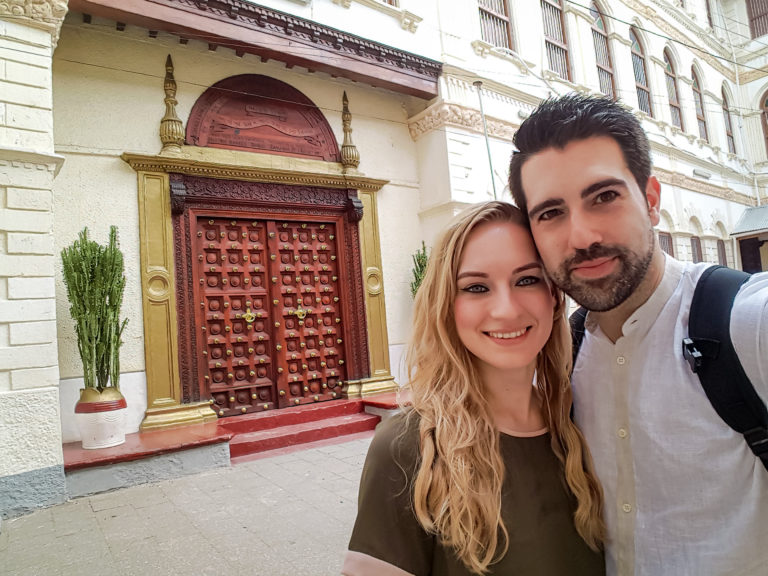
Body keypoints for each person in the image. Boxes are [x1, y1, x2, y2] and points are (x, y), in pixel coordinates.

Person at [508, 93, 768, 576]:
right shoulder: (564, 355)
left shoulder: (743, 322)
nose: (582, 237)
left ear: (650, 200)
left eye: (604, 197)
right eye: (551, 213)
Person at [342, 201, 606, 576]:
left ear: (554, 297)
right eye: (477, 287)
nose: (506, 309)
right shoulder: (409, 446)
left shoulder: (580, 424)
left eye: (527, 279)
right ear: (446, 306)